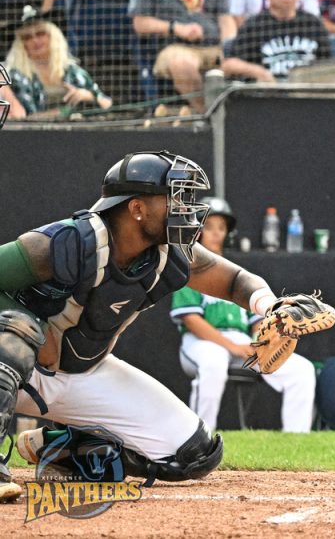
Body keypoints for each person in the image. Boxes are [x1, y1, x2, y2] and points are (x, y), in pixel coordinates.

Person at [0, 150, 317, 501]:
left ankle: (61, 449)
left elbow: (236, 280)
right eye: (175, 198)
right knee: (18, 331)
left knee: (194, 455)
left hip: (82, 373)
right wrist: (35, 327)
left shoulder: (171, 253)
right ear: (137, 209)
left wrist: (271, 305)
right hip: (21, 369)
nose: (186, 208)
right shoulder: (67, 242)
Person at [171, 197, 317, 432]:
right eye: (208, 226)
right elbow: (191, 320)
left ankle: (297, 441)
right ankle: (199, 438)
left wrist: (262, 342)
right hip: (202, 342)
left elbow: (257, 321)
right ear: (196, 231)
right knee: (214, 362)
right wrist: (233, 347)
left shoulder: (237, 275)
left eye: (221, 227)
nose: (216, 233)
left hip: (240, 342)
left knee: (301, 370)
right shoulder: (188, 269)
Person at [223, 0, 331, 81]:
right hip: (267, 95)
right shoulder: (253, 27)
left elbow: (329, 67)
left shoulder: (313, 24)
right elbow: (228, 65)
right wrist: (259, 72)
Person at [1, 4, 113, 120]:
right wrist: (60, 113)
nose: (35, 40)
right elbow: (19, 116)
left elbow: (107, 104)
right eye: (27, 37)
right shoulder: (14, 76)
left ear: (53, 37)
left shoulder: (72, 71)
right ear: (21, 44)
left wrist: (87, 96)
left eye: (40, 34)